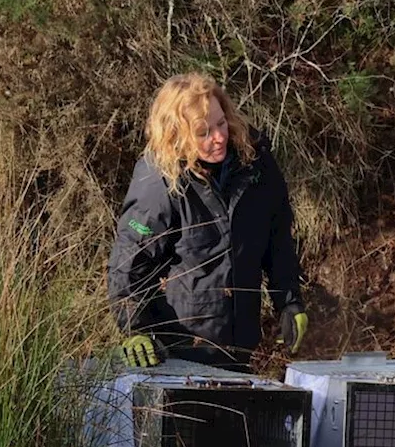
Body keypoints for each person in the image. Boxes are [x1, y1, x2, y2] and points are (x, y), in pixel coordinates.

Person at [107, 73, 308, 372]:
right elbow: (129, 262)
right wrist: (136, 330)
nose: (218, 137)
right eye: (202, 132)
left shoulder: (257, 165)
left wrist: (289, 301)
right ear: (176, 135)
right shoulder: (157, 180)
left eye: (221, 123)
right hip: (177, 355)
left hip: (240, 349)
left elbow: (277, 241)